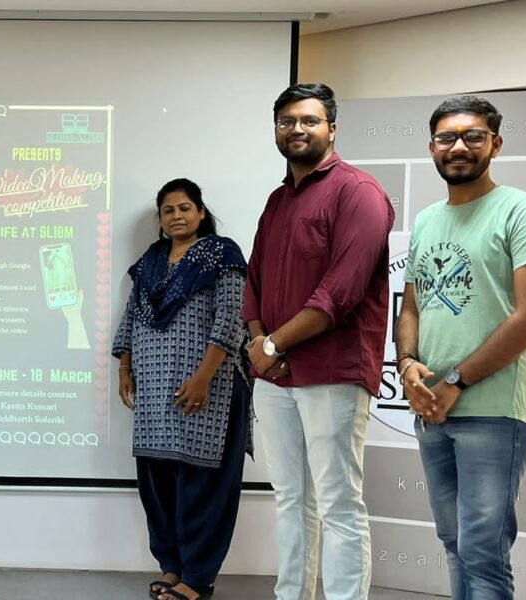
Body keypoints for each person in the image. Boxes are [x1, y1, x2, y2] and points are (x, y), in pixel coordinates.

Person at [396, 96, 526, 600]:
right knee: (454, 544)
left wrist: (456, 380)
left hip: (493, 412)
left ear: (496, 143)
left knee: (484, 554)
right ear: (432, 147)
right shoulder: (427, 220)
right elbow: (412, 308)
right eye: (446, 137)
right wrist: (407, 364)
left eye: (473, 136)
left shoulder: (523, 210)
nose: (459, 147)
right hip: (432, 410)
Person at [243, 83, 394, 600]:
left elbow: (340, 292)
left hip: (332, 371)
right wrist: (261, 344)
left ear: (332, 128)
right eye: (287, 121)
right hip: (274, 375)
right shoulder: (277, 201)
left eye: (309, 120)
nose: (297, 129)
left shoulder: (359, 192)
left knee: (338, 504)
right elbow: (255, 282)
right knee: (291, 499)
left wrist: (272, 346)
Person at [113, 178, 252, 600]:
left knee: (202, 485)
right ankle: (172, 568)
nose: (177, 216)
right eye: (168, 210)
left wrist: (203, 376)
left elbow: (231, 316)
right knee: (158, 483)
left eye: (185, 208)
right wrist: (125, 366)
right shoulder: (151, 261)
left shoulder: (221, 254)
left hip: (210, 387)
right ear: (160, 218)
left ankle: (198, 578)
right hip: (155, 391)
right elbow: (131, 316)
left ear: (201, 212)